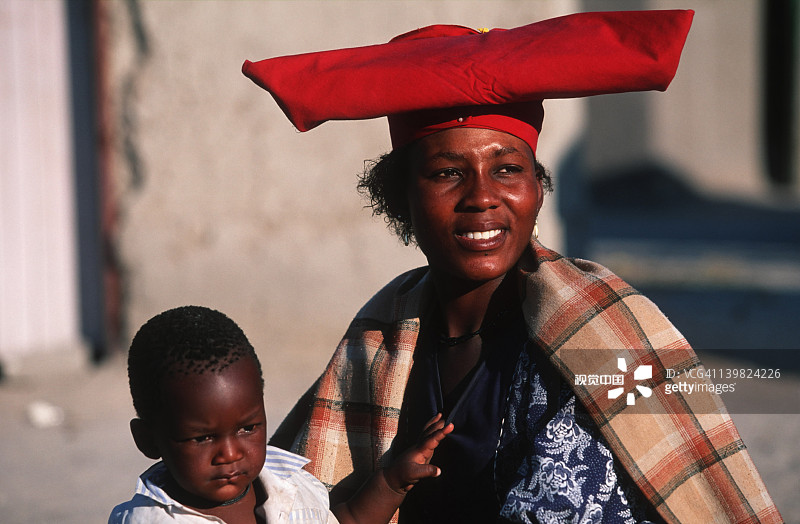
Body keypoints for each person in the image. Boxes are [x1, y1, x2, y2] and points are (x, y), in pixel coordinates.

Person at [242, 10, 782, 524]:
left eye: (506, 169)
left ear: (537, 188)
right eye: (448, 173)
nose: (483, 197)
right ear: (399, 198)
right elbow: (296, 488)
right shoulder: (382, 334)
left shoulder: (603, 333)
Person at [109, 305, 453, 524]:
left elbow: (341, 520)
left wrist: (393, 482)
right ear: (148, 440)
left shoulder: (291, 486)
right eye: (202, 437)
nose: (229, 453)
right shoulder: (144, 519)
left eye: (248, 428)